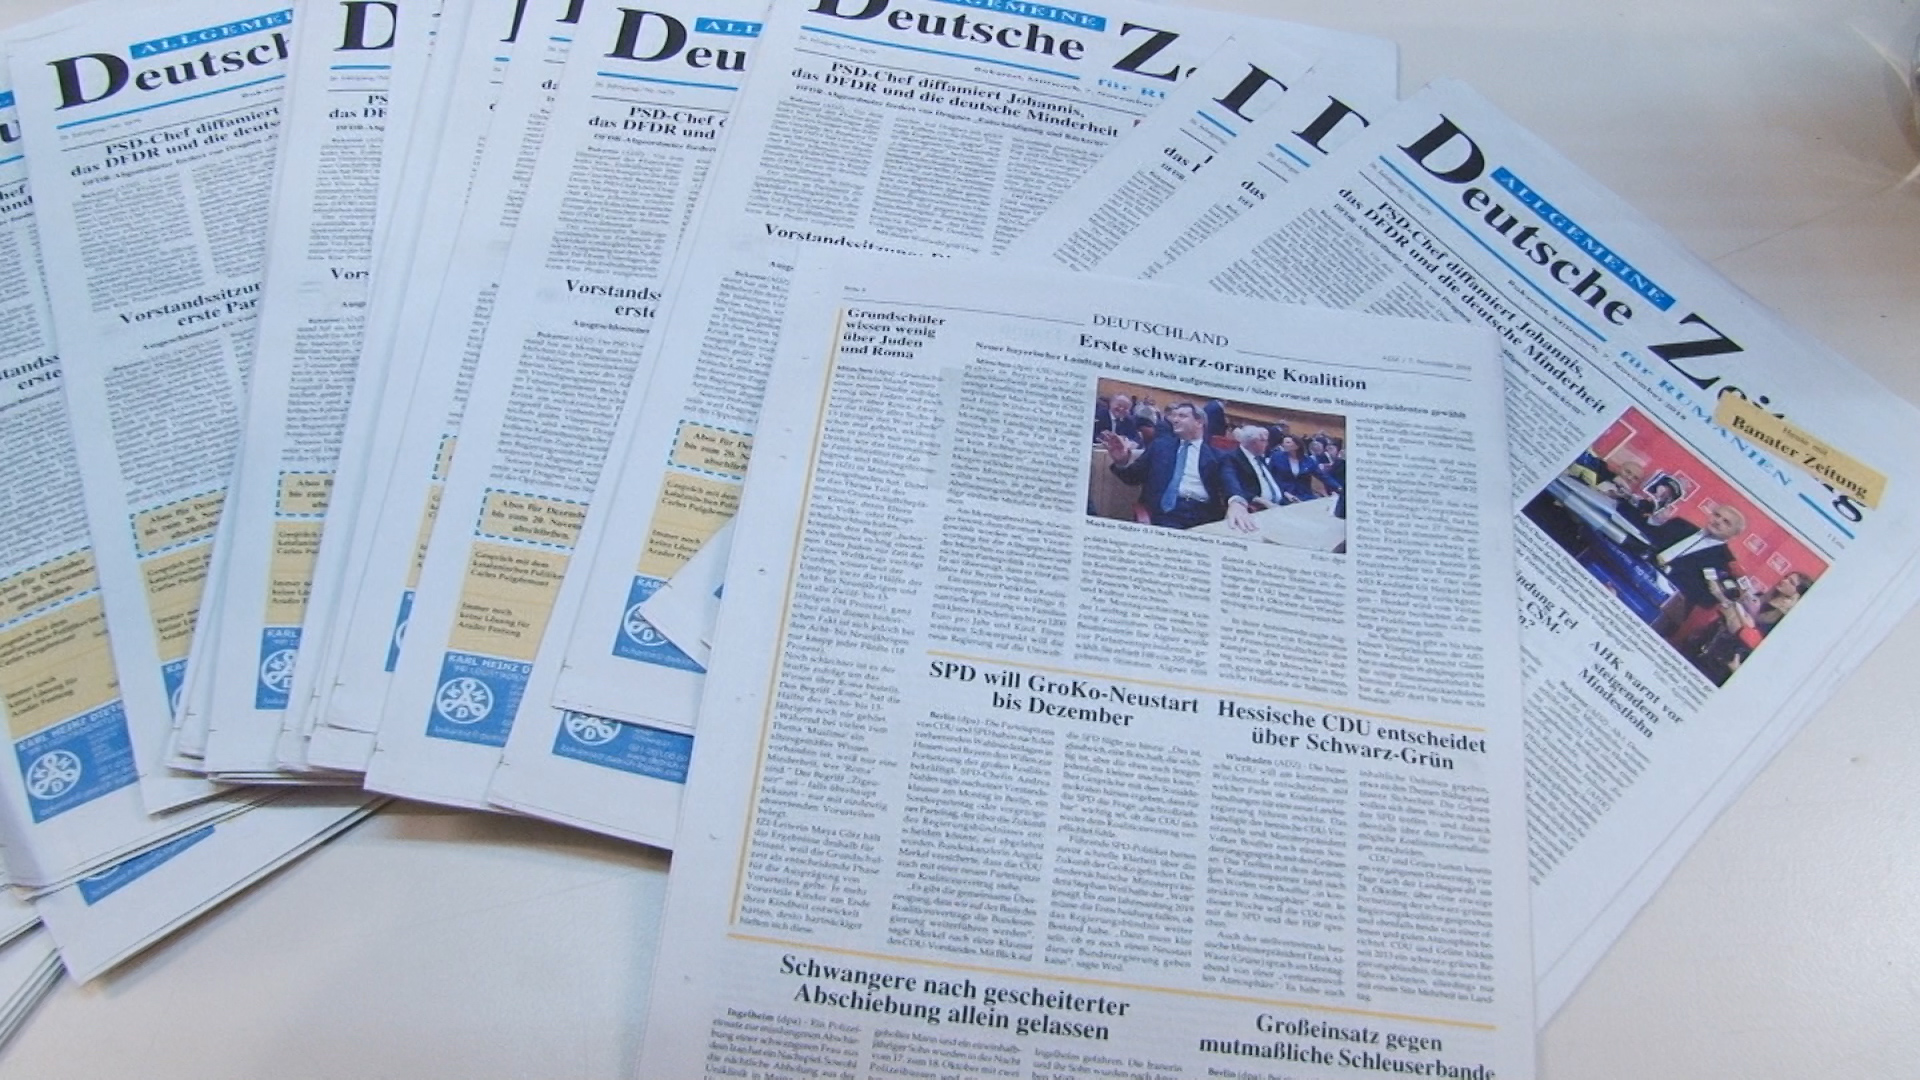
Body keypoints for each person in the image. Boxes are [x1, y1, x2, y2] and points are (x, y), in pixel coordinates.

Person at [1101, 402, 1255, 531]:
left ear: (1199, 422)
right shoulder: (1160, 447)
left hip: (1205, 515)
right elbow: (1133, 478)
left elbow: (1230, 481)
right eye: (1174, 416)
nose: (1174, 420)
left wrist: (1237, 502)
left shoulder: (1218, 455)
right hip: (1167, 513)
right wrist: (1122, 460)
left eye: (1182, 416)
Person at [1225, 426, 1287, 508]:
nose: (1267, 444)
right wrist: (1258, 500)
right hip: (1258, 507)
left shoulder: (1259, 457)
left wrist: (1285, 494)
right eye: (1263, 441)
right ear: (1252, 443)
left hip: (1280, 504)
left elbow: (1270, 481)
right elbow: (1235, 487)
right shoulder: (1232, 458)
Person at [1266, 434, 1323, 503]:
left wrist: (1335, 487)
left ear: (1297, 445)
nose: (1283, 445)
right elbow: (1270, 477)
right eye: (1283, 443)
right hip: (1284, 495)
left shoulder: (1308, 460)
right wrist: (1284, 492)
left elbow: (1322, 476)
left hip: (1305, 495)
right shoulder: (1277, 457)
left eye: (1288, 442)